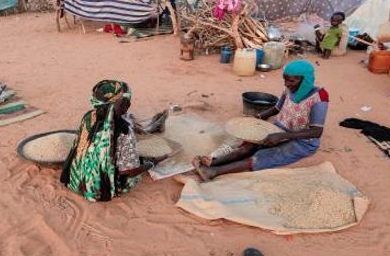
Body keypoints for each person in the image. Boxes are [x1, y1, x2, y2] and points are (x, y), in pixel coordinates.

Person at [194, 60, 328, 181]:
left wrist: (283, 136)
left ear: (305, 80)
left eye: (291, 81)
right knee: (250, 145)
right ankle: (213, 162)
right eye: (285, 80)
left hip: (301, 142)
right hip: (278, 130)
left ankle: (214, 172)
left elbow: (316, 132)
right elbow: (276, 108)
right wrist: (257, 118)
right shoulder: (288, 89)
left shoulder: (319, 96)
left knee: (265, 155)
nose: (287, 84)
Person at [61, 80, 166, 202]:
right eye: (124, 101)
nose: (128, 103)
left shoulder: (89, 116)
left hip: (77, 179)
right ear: (119, 104)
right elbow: (129, 172)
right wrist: (151, 163)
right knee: (134, 164)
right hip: (100, 187)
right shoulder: (123, 131)